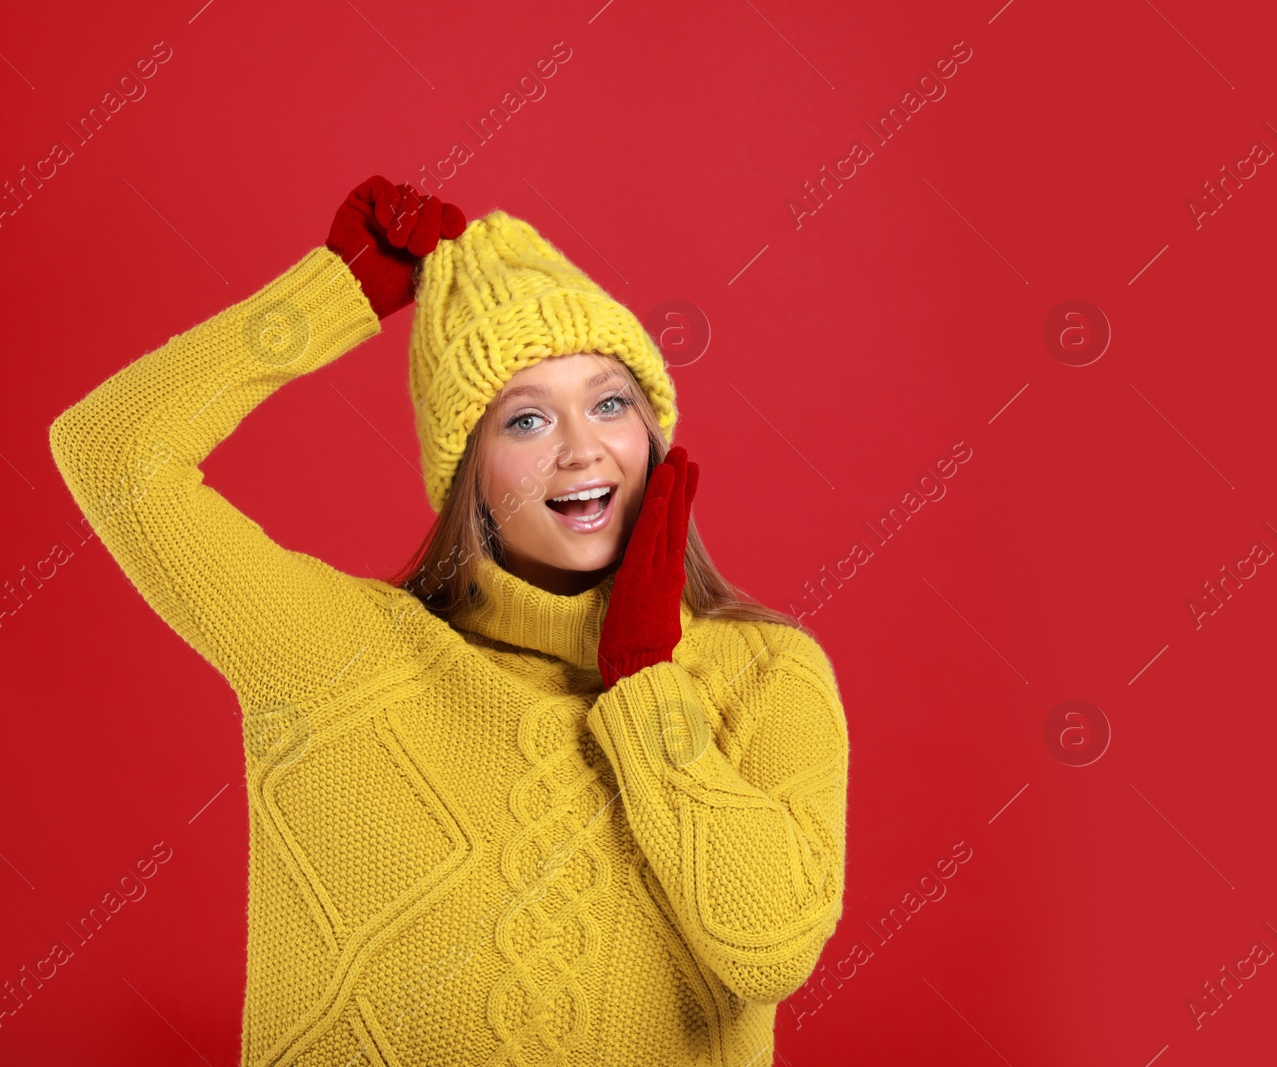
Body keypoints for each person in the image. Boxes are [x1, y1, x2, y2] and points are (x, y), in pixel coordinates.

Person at [48, 175, 849, 1066]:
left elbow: (769, 946)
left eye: (611, 402)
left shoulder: (765, 671)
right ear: (467, 472)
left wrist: (647, 676)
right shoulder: (341, 654)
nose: (583, 447)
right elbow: (112, 451)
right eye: (529, 418)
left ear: (654, 434)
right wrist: (328, 296)